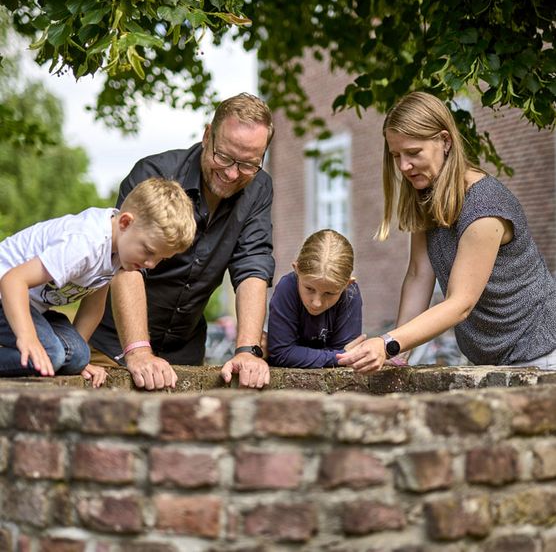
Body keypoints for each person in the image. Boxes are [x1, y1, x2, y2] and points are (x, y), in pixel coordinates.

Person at [338, 91, 556, 372]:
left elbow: (460, 303)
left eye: (413, 153)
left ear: (445, 141)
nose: (404, 166)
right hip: (491, 359)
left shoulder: (484, 207)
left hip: (542, 353)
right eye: (396, 155)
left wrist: (388, 342)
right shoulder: (426, 196)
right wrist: (398, 355)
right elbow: (419, 275)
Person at [89, 92, 275, 390]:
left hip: (185, 351)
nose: (231, 173)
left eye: (248, 164)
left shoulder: (260, 188)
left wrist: (247, 351)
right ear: (207, 136)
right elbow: (125, 265)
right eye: (224, 156)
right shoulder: (154, 174)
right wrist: (138, 351)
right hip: (113, 346)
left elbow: (253, 264)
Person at [0, 178, 196, 387]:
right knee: (52, 354)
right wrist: (27, 337)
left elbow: (93, 307)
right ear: (125, 222)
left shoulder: (118, 252)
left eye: (160, 259)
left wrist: (75, 363)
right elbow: (13, 280)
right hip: (8, 295)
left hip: (30, 306)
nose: (151, 264)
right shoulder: (85, 243)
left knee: (76, 356)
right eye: (148, 251)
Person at [267, 229, 364, 368]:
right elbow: (281, 353)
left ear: (347, 285)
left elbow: (346, 355)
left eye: (329, 294)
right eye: (309, 289)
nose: (316, 303)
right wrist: (334, 357)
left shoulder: (351, 293)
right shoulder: (287, 288)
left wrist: (298, 354)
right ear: (297, 270)